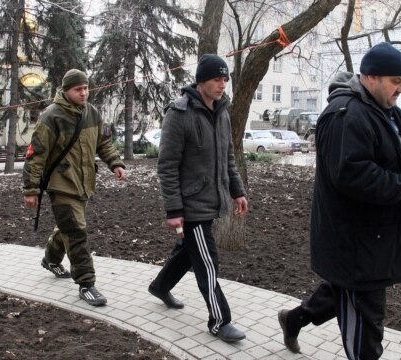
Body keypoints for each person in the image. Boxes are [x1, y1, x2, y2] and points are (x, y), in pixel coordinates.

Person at [277, 42, 401, 359]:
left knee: (343, 292)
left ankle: (294, 318)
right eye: (395, 82)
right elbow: (352, 176)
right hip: (353, 242)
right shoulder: (347, 116)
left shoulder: (391, 114)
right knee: (366, 329)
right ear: (371, 78)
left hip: (373, 238)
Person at [148, 54, 249, 342]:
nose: (223, 84)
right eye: (217, 79)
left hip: (213, 198)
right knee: (207, 260)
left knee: (189, 252)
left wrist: (237, 192)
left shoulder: (223, 112)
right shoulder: (179, 113)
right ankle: (219, 321)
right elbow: (166, 167)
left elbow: (229, 157)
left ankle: (160, 285)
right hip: (191, 204)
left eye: (225, 79)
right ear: (201, 80)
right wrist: (174, 210)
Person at [23, 69, 126, 307]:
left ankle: (50, 259)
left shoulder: (92, 113)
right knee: (77, 232)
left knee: (68, 227)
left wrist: (115, 163)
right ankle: (86, 284)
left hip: (84, 182)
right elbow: (36, 155)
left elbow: (103, 142)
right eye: (78, 89)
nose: (84, 93)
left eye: (86, 88)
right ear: (66, 90)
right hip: (61, 185)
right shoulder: (51, 116)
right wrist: (31, 190)